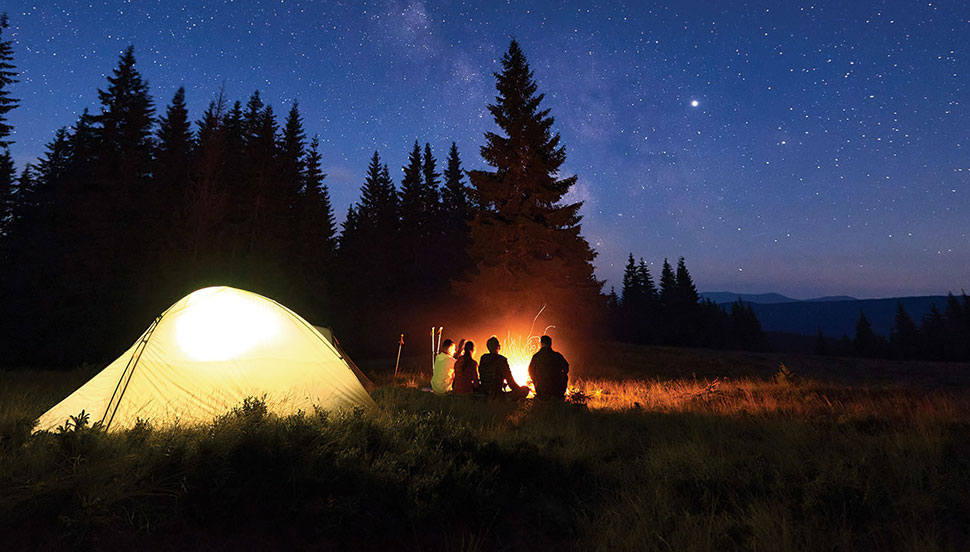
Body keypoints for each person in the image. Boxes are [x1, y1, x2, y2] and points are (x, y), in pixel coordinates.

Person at [528, 335, 569, 401]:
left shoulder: (536, 357)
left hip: (542, 391)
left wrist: (535, 381)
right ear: (550, 344)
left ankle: (543, 397)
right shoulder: (557, 356)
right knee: (565, 376)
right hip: (557, 391)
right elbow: (566, 368)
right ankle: (559, 397)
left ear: (541, 344)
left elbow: (530, 371)